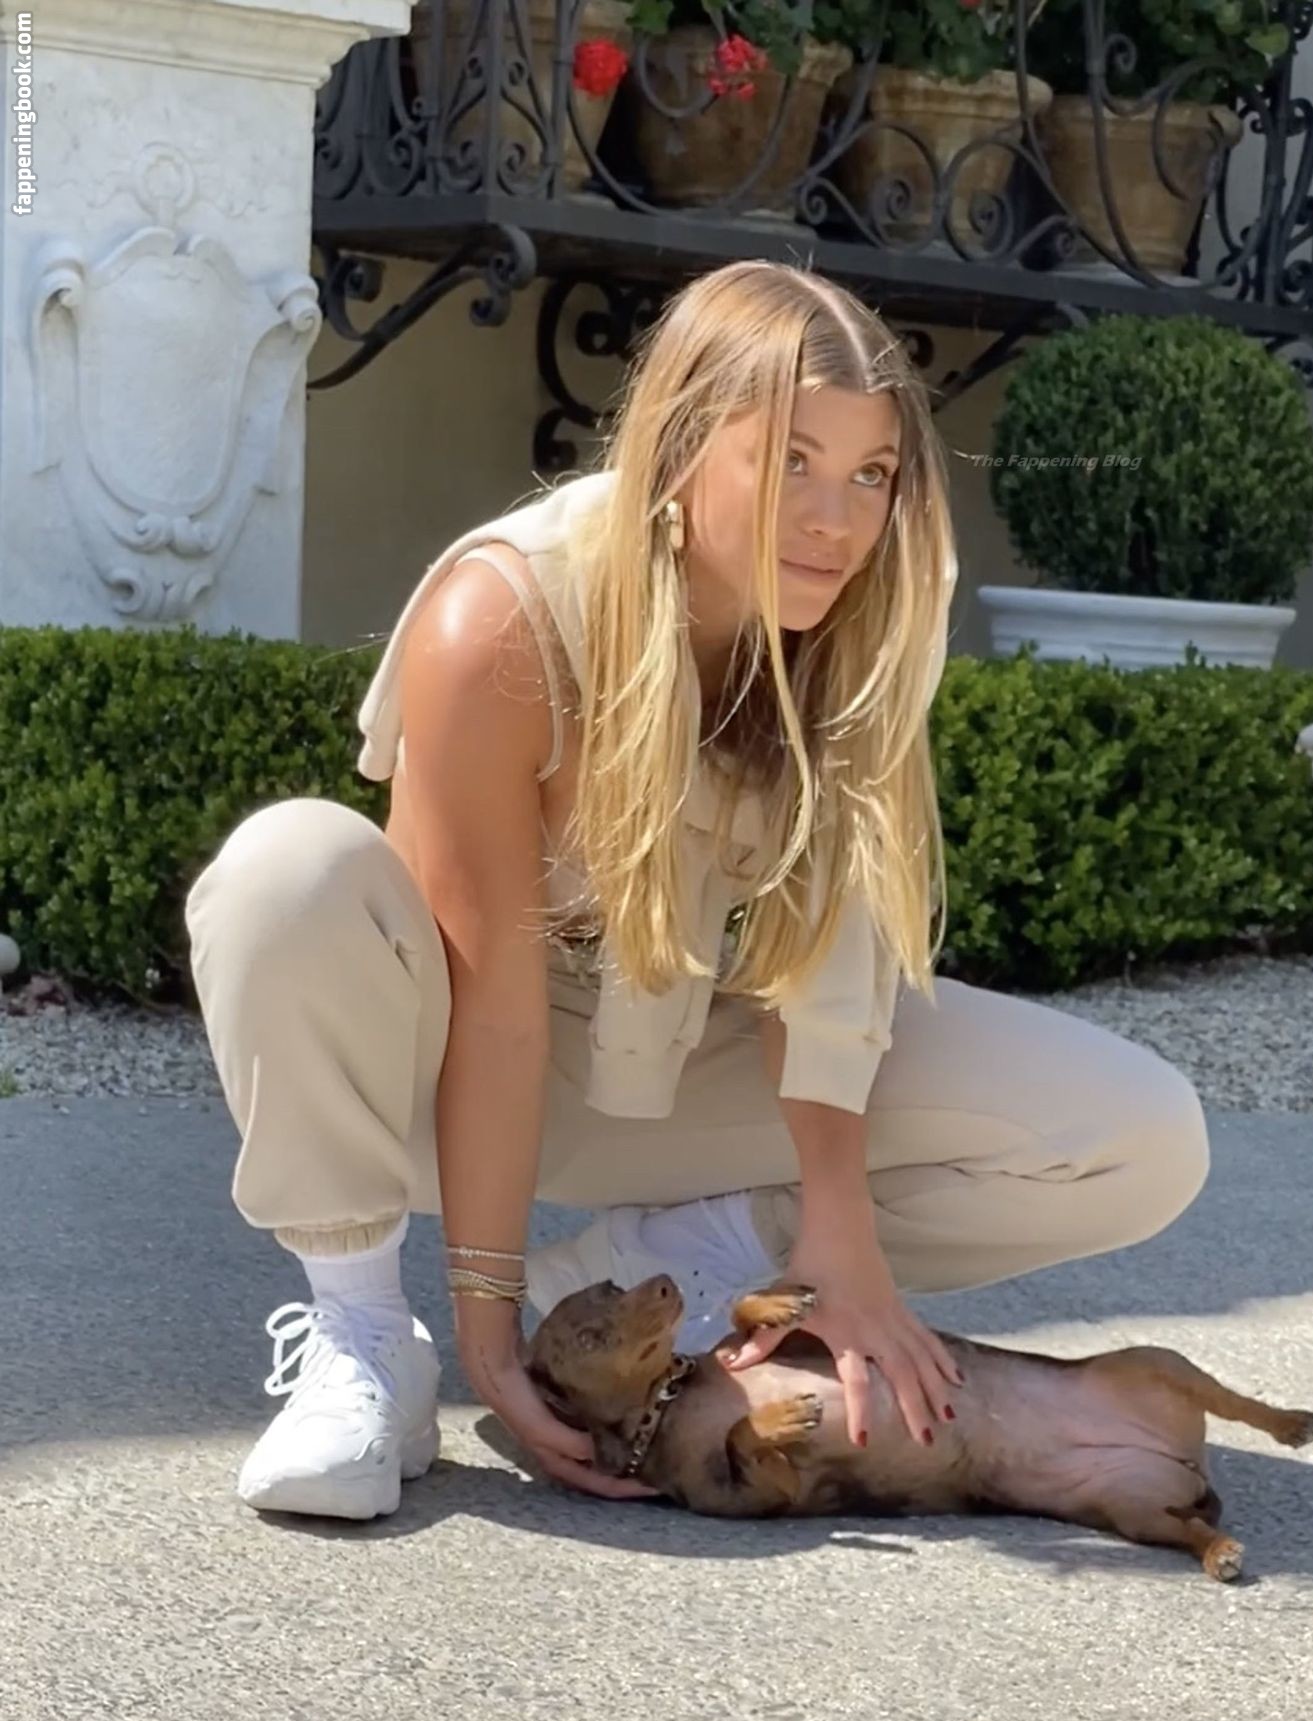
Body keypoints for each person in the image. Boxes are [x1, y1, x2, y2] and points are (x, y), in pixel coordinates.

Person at [185, 260, 1209, 1522]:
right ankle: (360, 1338)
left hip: (665, 1056)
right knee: (284, 872)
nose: (833, 519)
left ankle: (661, 1257)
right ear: (680, 446)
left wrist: (837, 1231)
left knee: (1137, 1138)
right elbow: (494, 1000)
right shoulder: (505, 612)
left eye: (870, 474)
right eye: (788, 462)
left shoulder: (865, 621)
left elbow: (826, 965)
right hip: (443, 1073)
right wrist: (487, 1339)